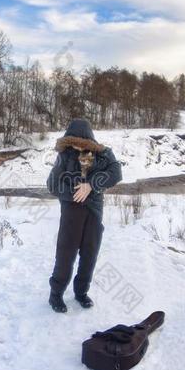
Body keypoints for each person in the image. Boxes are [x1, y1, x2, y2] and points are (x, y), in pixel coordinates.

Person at [46, 119, 122, 313]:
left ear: (88, 140)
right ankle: (55, 294)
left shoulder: (104, 154)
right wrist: (76, 193)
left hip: (94, 212)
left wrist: (91, 185)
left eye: (80, 142)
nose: (76, 146)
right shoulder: (64, 156)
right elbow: (52, 185)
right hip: (71, 212)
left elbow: (116, 172)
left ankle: (81, 292)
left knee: (90, 254)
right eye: (72, 141)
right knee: (65, 255)